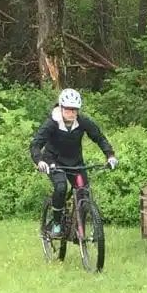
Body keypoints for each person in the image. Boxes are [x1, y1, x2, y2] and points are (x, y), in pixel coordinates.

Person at [30, 88, 116, 236]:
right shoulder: (51, 124)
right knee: (61, 187)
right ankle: (57, 224)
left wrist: (110, 155)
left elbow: (99, 138)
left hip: (75, 162)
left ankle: (79, 229)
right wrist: (39, 161)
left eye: (75, 110)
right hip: (54, 161)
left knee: (83, 192)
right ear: (61, 107)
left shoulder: (82, 122)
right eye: (68, 109)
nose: (71, 113)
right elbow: (35, 145)